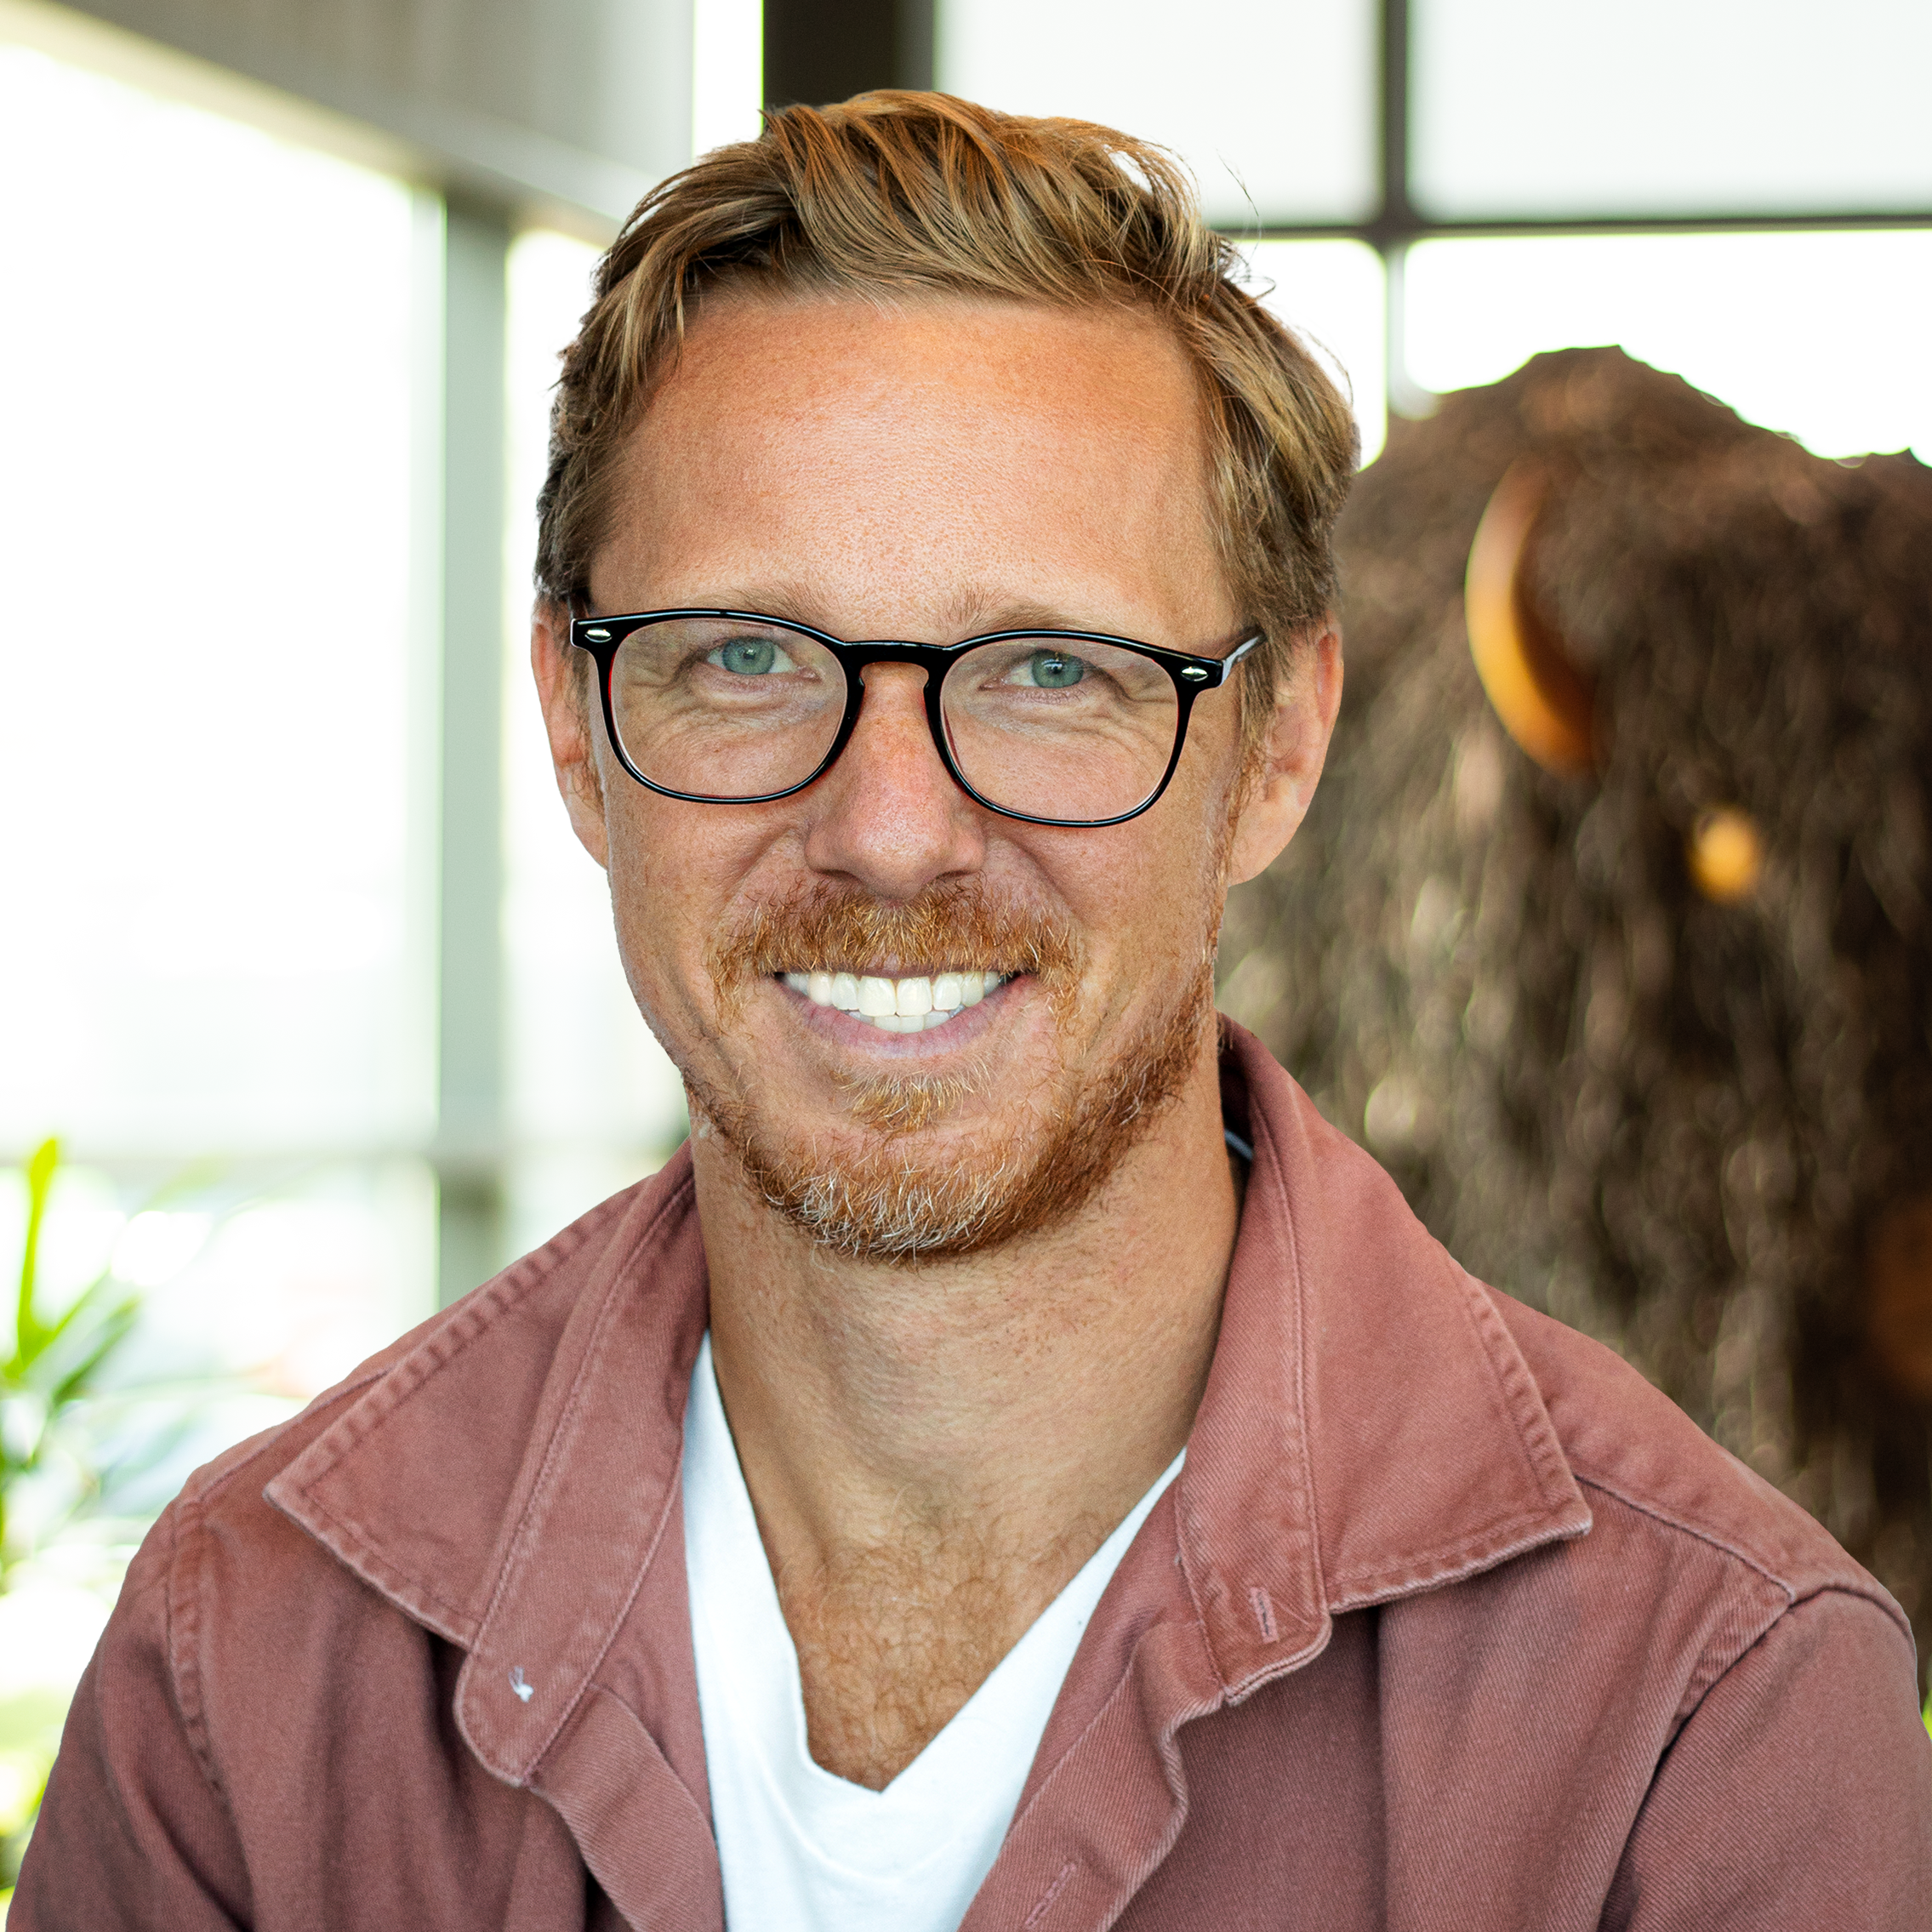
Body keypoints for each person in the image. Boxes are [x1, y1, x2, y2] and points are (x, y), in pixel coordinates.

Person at [19, 93, 1930, 1930]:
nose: (890, 829)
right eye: (746, 656)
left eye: (1045, 669)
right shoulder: (244, 1662)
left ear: (1277, 750)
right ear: (577, 731)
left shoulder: (1710, 1717)